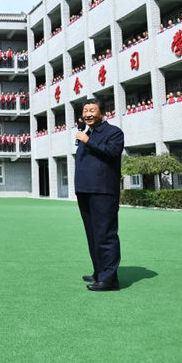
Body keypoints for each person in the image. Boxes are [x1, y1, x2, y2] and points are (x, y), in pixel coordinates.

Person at [74, 98, 125, 291]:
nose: (87, 114)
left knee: (105, 235)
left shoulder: (113, 133)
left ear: (102, 113)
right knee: (93, 235)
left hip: (103, 192)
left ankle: (109, 279)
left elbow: (112, 153)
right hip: (85, 191)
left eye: (92, 110)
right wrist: (87, 138)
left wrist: (89, 141)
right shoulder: (87, 133)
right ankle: (99, 272)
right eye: (85, 110)